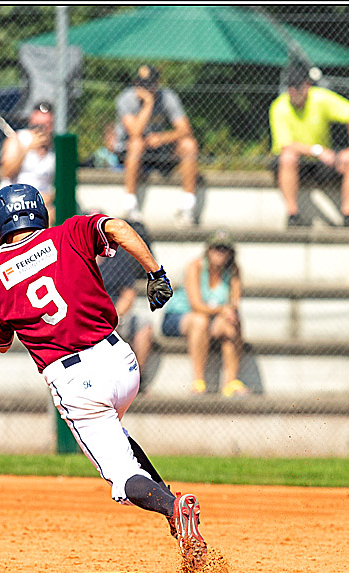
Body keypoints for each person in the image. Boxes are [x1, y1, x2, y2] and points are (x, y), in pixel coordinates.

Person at [0, 183, 209, 569]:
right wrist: (156, 273)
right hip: (122, 361)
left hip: (76, 381)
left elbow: (0, 342)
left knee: (119, 476)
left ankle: (172, 507)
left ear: (1, 221)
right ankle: (171, 508)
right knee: (118, 439)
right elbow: (117, 227)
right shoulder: (69, 232)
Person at [269, 62, 349, 227]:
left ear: (307, 86)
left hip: (320, 163)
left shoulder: (320, 97)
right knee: (288, 158)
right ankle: (293, 215)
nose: (293, 92)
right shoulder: (279, 106)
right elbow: (286, 145)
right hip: (299, 161)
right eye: (290, 87)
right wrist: (318, 151)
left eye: (297, 87)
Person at [161, 230, 249, 398]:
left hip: (211, 318)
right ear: (208, 250)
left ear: (231, 253)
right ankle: (199, 382)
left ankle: (230, 382)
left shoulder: (234, 271)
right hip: (180, 316)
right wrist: (222, 310)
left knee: (233, 323)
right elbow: (196, 304)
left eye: (224, 249)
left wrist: (227, 313)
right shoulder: (195, 267)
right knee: (200, 321)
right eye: (216, 248)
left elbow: (234, 302)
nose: (219, 253)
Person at [114, 64, 200, 227]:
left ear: (157, 83)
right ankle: (130, 204)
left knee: (189, 145)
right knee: (137, 143)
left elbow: (185, 129)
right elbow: (135, 132)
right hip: (129, 151)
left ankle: (188, 206)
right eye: (141, 85)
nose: (145, 89)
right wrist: (148, 103)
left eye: (149, 85)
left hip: (157, 148)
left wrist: (161, 138)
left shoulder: (168, 97)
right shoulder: (125, 99)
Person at [96, 219, 155, 374]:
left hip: (116, 314)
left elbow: (129, 293)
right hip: (89, 317)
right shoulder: (76, 260)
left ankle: (137, 378)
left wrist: (115, 315)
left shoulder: (116, 258)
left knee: (144, 324)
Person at [0, 101, 57, 224]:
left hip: (43, 201)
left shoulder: (55, 148)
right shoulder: (18, 139)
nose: (41, 129)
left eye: (45, 125)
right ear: (31, 122)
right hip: (16, 199)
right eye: (38, 125)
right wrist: (27, 149)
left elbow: (58, 183)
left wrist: (49, 196)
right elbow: (7, 172)